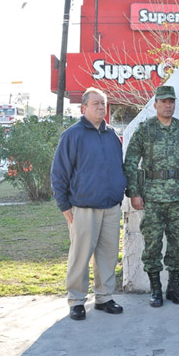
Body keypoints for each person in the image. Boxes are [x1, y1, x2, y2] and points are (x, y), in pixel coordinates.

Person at [50, 88, 127, 320]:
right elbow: (59, 172)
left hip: (111, 207)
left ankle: (104, 297)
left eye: (103, 103)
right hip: (82, 208)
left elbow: (118, 168)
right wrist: (64, 205)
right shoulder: (72, 135)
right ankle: (76, 300)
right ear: (84, 108)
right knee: (80, 256)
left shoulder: (112, 134)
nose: (101, 107)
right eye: (96, 104)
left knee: (108, 255)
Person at [124, 85, 179, 307]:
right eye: (164, 101)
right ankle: (155, 290)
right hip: (152, 199)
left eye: (171, 102)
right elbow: (130, 162)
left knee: (178, 244)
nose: (168, 105)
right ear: (155, 104)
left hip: (178, 198)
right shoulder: (145, 130)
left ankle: (173, 288)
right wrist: (134, 193)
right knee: (153, 245)